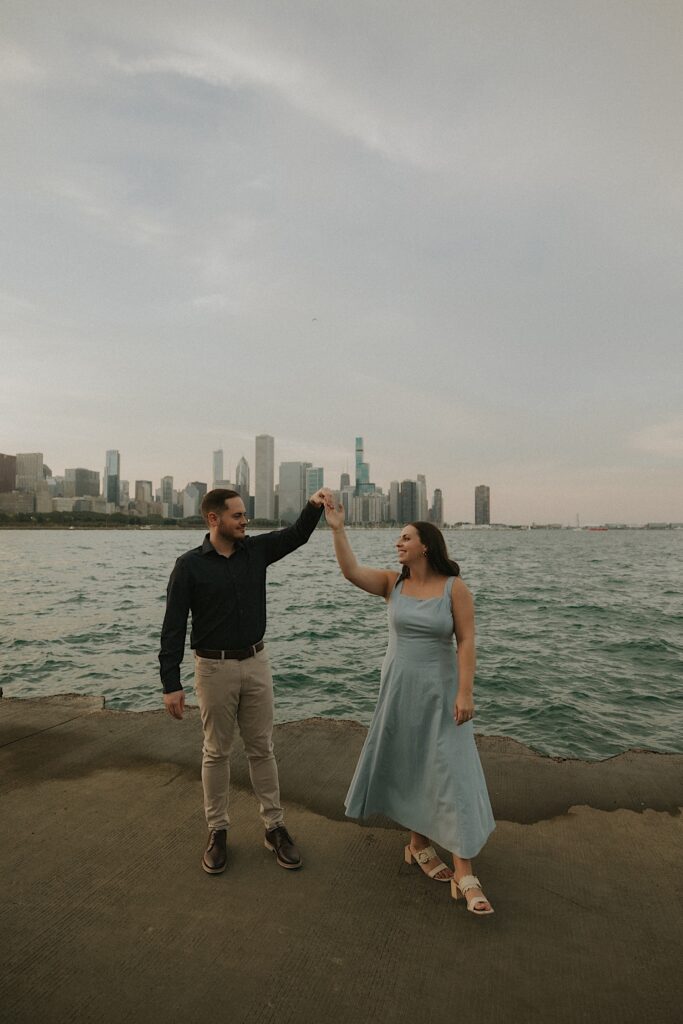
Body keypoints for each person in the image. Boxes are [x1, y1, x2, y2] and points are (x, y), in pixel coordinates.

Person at [325, 505, 495, 914]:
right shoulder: (391, 583)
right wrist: (337, 529)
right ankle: (418, 845)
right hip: (400, 687)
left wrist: (465, 692)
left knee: (451, 771)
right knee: (413, 762)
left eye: (405, 537)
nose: (398, 543)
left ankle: (465, 871)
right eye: (399, 538)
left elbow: (467, 641)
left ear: (425, 547)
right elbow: (350, 571)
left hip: (441, 689)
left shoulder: (455, 587)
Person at [159, 486, 332, 875]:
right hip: (213, 668)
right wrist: (170, 682)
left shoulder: (255, 552)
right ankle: (217, 831)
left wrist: (313, 505)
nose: (245, 521)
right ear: (213, 519)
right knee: (216, 752)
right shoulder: (188, 566)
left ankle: (274, 827)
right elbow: (172, 628)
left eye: (245, 515)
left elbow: (296, 535)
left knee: (261, 748)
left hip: (256, 661)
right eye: (237, 515)